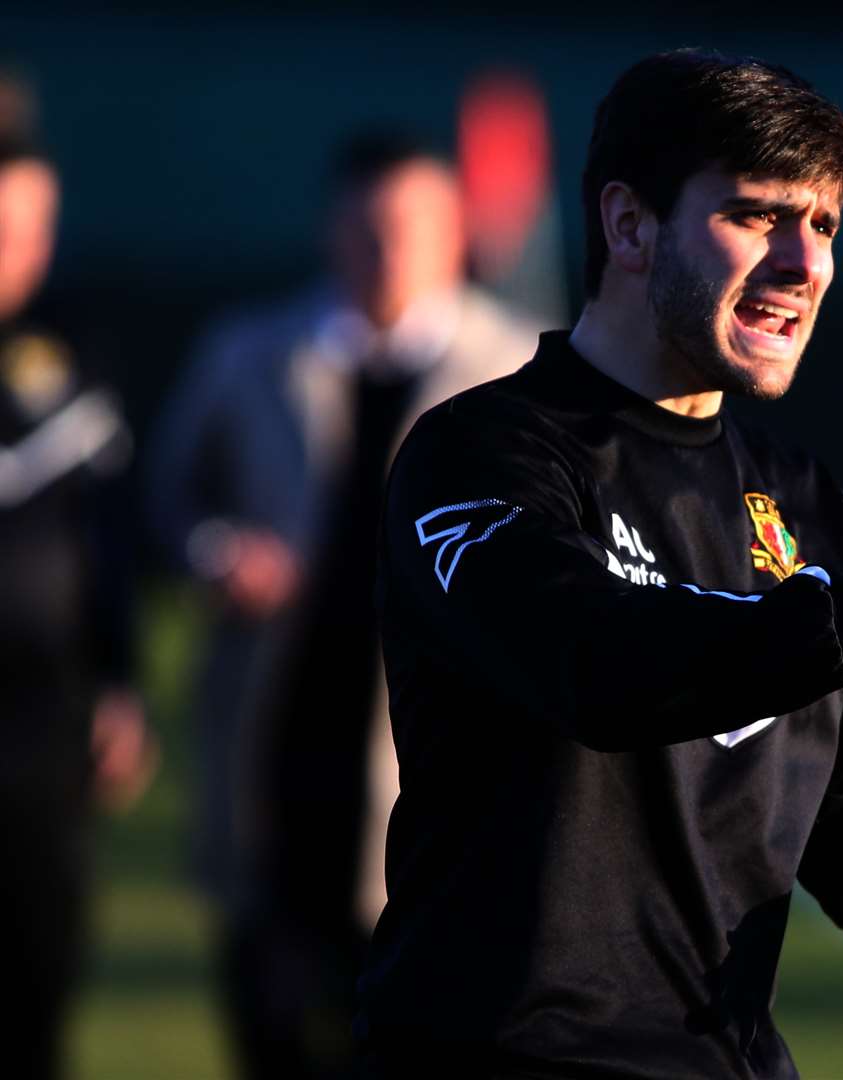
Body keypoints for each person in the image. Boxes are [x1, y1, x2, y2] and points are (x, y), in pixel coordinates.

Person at [356, 50, 843, 1079]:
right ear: (630, 226)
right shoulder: (478, 457)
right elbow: (596, 664)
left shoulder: (805, 506)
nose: (804, 264)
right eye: (758, 215)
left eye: (826, 225)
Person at [148, 133, 537, 1078]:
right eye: (366, 228)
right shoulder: (250, 354)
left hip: (440, 790)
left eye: (409, 228)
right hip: (272, 760)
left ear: (457, 232)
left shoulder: (518, 371)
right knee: (274, 1032)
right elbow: (163, 499)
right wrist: (216, 552)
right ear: (332, 231)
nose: (386, 251)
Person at [0, 137, 152, 1079]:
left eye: (33, 223)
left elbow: (110, 546)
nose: (19, 244)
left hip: (43, 727)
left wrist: (122, 685)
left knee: (33, 982)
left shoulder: (75, 358)